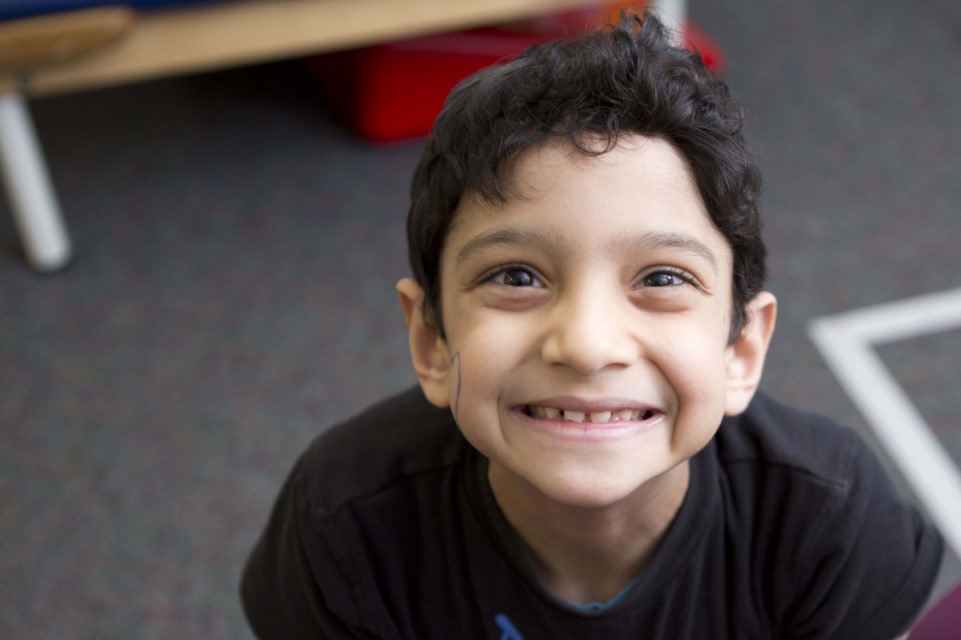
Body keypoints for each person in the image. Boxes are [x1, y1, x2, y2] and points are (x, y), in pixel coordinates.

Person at [240, 11, 943, 639]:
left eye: (661, 279)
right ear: (431, 342)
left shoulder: (830, 518)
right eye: (516, 277)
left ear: (741, 349)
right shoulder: (343, 524)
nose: (585, 344)